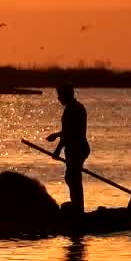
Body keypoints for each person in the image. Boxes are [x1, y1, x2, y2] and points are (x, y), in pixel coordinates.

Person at [46, 82, 90, 214]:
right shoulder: (77, 107)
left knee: (72, 177)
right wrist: (56, 135)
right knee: (72, 177)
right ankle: (78, 207)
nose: (59, 99)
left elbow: (68, 133)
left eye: (60, 96)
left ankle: (78, 209)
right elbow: (70, 130)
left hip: (77, 149)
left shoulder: (71, 110)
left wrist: (57, 150)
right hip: (79, 148)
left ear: (66, 95)